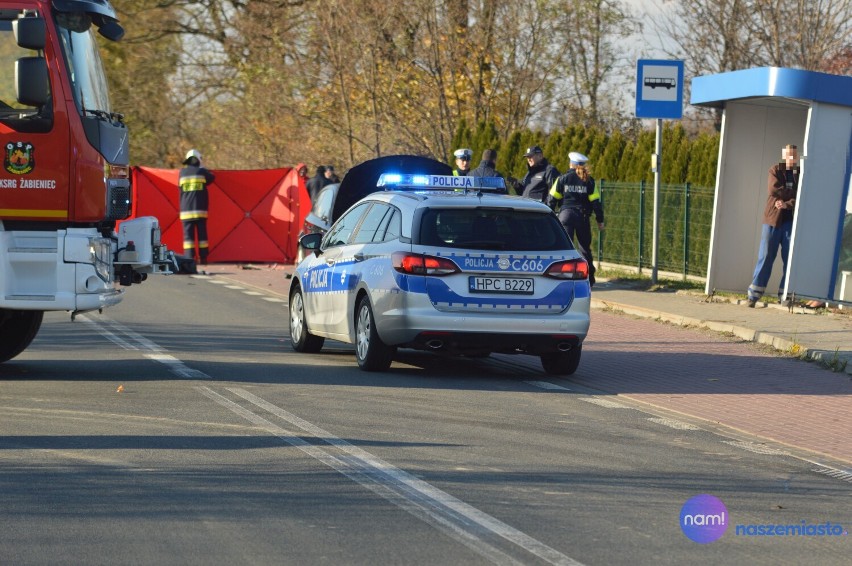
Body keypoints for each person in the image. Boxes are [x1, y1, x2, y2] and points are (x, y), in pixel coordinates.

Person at [747, 144, 800, 307]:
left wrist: (787, 204)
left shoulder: (799, 173)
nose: (791, 159)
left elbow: (799, 194)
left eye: (794, 156)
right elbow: (774, 189)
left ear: (797, 157)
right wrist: (789, 196)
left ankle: (785, 295)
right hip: (772, 221)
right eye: (789, 156)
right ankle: (754, 295)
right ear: (784, 155)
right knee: (766, 256)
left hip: (790, 222)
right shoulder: (775, 170)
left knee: (790, 259)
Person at [547, 152, 604, 286]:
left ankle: (564, 279)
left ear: (571, 164)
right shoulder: (589, 181)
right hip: (582, 217)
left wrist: (550, 219)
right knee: (584, 248)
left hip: (565, 215)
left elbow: (551, 200)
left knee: (565, 248)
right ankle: (589, 280)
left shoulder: (562, 179)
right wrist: (600, 220)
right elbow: (596, 203)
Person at [178, 148, 215, 265]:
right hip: (200, 211)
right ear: (199, 160)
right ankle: (203, 259)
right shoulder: (202, 172)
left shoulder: (182, 173)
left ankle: (189, 260)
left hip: (185, 211)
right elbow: (212, 178)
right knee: (202, 237)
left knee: (188, 238)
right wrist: (202, 167)